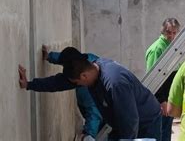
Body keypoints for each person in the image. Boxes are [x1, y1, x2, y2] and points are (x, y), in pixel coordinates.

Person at [19, 47, 162, 140]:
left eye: (77, 83)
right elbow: (59, 82)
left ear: (83, 77)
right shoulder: (88, 69)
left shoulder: (114, 83)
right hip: (124, 123)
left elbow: (130, 121)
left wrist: (89, 133)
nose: (77, 86)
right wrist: (29, 84)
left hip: (146, 123)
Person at [18, 46, 102, 140]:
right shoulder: (85, 60)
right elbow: (68, 61)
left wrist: (88, 134)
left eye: (75, 82)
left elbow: (94, 114)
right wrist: (50, 56)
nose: (75, 83)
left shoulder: (89, 92)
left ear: (83, 77)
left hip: (104, 122)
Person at [145, 18, 181, 141]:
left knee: (166, 132)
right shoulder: (157, 49)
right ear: (163, 31)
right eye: (168, 32)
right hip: (161, 101)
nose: (171, 36)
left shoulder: (171, 47)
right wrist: (162, 101)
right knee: (160, 134)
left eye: (174, 33)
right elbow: (153, 78)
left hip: (169, 98)